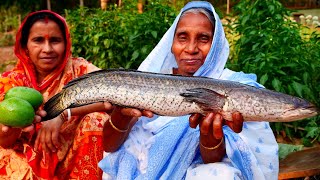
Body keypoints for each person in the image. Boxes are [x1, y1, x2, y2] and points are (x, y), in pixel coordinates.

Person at [98, 1, 279, 179]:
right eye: (182, 37)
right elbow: (110, 146)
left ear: (216, 44)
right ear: (172, 42)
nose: (191, 49)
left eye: (203, 38)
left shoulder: (234, 86)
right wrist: (121, 116)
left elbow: (212, 160)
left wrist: (211, 139)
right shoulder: (148, 83)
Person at [0, 10, 117, 179]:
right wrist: (8, 130)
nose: (47, 49)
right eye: (38, 40)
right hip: (25, 161)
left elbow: (113, 95)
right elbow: (5, 142)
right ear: (25, 45)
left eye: (55, 40)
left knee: (97, 119)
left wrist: (64, 114)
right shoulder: (11, 83)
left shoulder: (80, 71)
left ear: (66, 43)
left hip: (73, 157)